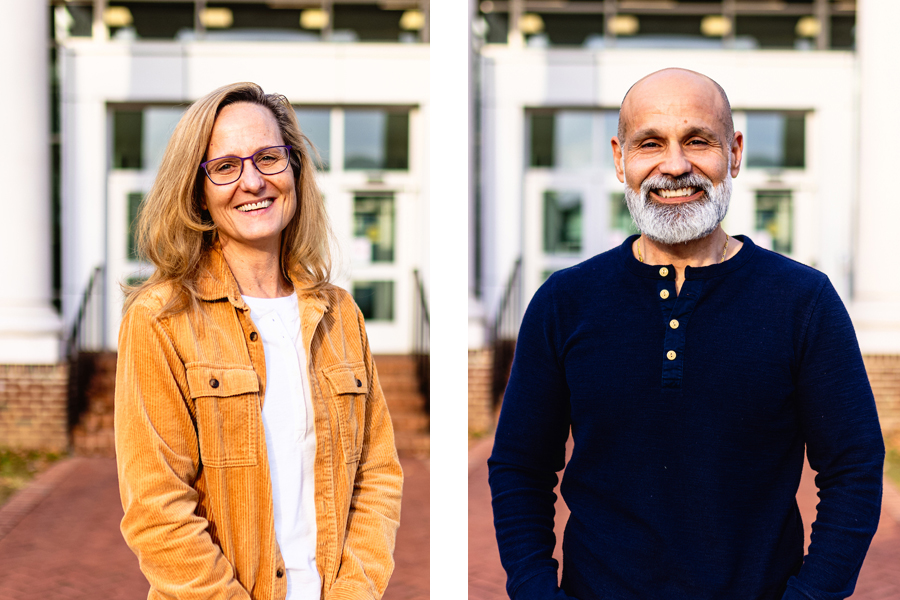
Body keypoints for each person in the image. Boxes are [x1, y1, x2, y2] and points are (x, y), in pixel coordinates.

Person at [488, 68, 884, 600]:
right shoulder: (564, 302)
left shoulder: (803, 301)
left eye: (697, 140)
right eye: (650, 143)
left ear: (735, 152)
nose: (674, 166)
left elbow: (854, 470)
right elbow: (520, 468)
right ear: (619, 159)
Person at [114, 82, 402, 600]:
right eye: (225, 167)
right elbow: (158, 509)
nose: (252, 181)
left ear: (294, 169)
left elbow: (377, 475)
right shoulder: (160, 319)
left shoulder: (340, 314)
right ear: (197, 190)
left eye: (269, 158)